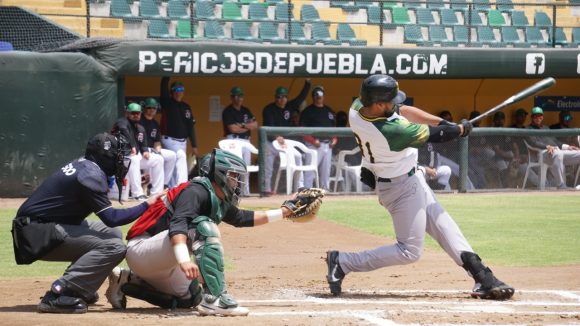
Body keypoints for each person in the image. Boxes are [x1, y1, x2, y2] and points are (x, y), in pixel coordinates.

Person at [325, 74, 514, 301]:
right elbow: (438, 136)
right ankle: (343, 261)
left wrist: (445, 123)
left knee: (445, 226)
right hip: (400, 188)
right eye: (390, 101)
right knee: (409, 251)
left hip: (408, 179)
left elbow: (405, 111)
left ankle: (483, 277)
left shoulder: (358, 108)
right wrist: (459, 130)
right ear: (377, 104)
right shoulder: (392, 131)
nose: (396, 105)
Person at [104, 149, 297, 316]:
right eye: (233, 175)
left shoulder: (214, 196)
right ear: (219, 174)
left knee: (190, 298)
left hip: (160, 257)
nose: (236, 182)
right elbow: (179, 224)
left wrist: (285, 211)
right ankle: (215, 300)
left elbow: (242, 218)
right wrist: (184, 260)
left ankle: (127, 280)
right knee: (202, 226)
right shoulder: (196, 191)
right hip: (142, 249)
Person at [11, 132, 162, 314]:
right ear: (104, 156)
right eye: (116, 156)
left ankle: (82, 283)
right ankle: (60, 293)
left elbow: (110, 224)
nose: (120, 161)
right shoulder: (90, 175)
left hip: (40, 226)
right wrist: (146, 204)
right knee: (114, 247)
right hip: (35, 233)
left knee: (112, 234)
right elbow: (112, 218)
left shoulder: (85, 165)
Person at [261, 79, 311, 195]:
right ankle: (266, 189)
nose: (282, 99)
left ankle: (300, 186)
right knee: (268, 165)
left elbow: (301, 97)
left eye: (284, 97)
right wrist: (276, 137)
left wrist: (307, 83)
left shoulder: (289, 106)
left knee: (298, 156)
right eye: (279, 97)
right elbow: (269, 126)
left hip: (285, 142)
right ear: (275, 97)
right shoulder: (269, 109)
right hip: (271, 142)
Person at [112, 103, 164, 200]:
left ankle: (156, 193)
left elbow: (143, 144)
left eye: (138, 113)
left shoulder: (140, 128)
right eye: (133, 113)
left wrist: (145, 151)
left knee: (158, 159)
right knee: (134, 159)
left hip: (133, 157)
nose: (136, 115)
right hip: (121, 157)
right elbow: (124, 131)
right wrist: (132, 145)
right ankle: (137, 193)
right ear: (127, 113)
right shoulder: (122, 122)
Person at [525, 106, 580, 189]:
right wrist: (547, 146)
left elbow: (555, 142)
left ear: (542, 117)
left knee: (578, 153)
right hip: (542, 153)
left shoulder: (546, 128)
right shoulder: (528, 129)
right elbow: (533, 143)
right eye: (535, 116)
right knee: (557, 154)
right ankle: (561, 185)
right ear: (531, 117)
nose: (538, 118)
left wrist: (568, 147)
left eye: (540, 116)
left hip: (556, 151)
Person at [160, 77, 196, 187]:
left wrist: (194, 145)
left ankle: (173, 187)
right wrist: (166, 77)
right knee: (180, 157)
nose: (178, 93)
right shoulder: (167, 103)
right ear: (172, 92)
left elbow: (190, 127)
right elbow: (163, 90)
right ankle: (182, 185)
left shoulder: (186, 107)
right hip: (169, 140)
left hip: (182, 141)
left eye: (180, 90)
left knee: (177, 162)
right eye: (176, 90)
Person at [222, 86, 258, 196]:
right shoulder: (227, 111)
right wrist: (247, 127)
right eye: (236, 96)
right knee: (233, 167)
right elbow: (232, 128)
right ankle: (231, 191)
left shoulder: (246, 110)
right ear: (232, 97)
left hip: (246, 141)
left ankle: (245, 192)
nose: (239, 98)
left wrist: (242, 125)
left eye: (241, 96)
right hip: (233, 140)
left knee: (246, 166)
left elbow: (255, 125)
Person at [299, 85, 337, 190]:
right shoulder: (307, 111)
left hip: (327, 145)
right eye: (316, 95)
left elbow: (334, 129)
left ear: (324, 96)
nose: (318, 97)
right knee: (310, 170)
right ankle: (307, 190)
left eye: (320, 95)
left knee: (326, 171)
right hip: (313, 145)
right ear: (313, 97)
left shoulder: (329, 111)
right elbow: (302, 131)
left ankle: (325, 191)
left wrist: (334, 140)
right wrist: (312, 140)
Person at [140, 97, 178, 190]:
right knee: (155, 161)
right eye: (149, 107)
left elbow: (157, 141)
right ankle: (150, 186)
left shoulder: (155, 123)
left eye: (154, 108)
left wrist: (159, 151)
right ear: (144, 108)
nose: (152, 110)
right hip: (142, 150)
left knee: (172, 155)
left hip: (152, 150)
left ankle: (164, 183)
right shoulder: (139, 121)